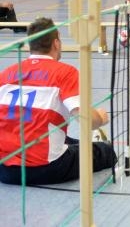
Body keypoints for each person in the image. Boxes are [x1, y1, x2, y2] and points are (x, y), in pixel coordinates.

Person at [0, 17, 116, 185]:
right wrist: (100, 118)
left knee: (67, 139)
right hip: (45, 168)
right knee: (106, 152)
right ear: (56, 43)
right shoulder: (65, 73)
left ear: (30, 45)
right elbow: (87, 121)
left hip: (4, 170)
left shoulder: (6, 74)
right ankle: (97, 144)